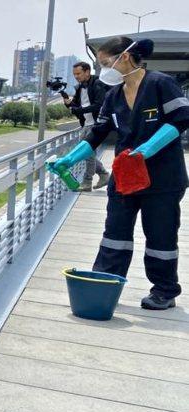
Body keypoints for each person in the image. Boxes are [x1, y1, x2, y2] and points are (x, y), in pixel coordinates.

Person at [49, 37, 189, 310]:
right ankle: (105, 279)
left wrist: (148, 148)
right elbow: (98, 133)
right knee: (115, 231)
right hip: (125, 176)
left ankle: (164, 290)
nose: (104, 69)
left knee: (160, 235)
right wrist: (69, 158)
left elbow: (181, 118)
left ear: (124, 57)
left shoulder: (161, 84)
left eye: (105, 63)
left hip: (162, 177)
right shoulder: (113, 96)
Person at [64, 61, 111, 191]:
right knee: (86, 153)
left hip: (96, 124)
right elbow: (76, 105)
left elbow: (98, 105)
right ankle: (103, 174)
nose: (76, 76)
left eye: (78, 73)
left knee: (87, 153)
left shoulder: (97, 83)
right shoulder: (79, 87)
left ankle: (87, 182)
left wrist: (79, 110)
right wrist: (68, 103)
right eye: (74, 74)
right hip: (85, 124)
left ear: (87, 72)